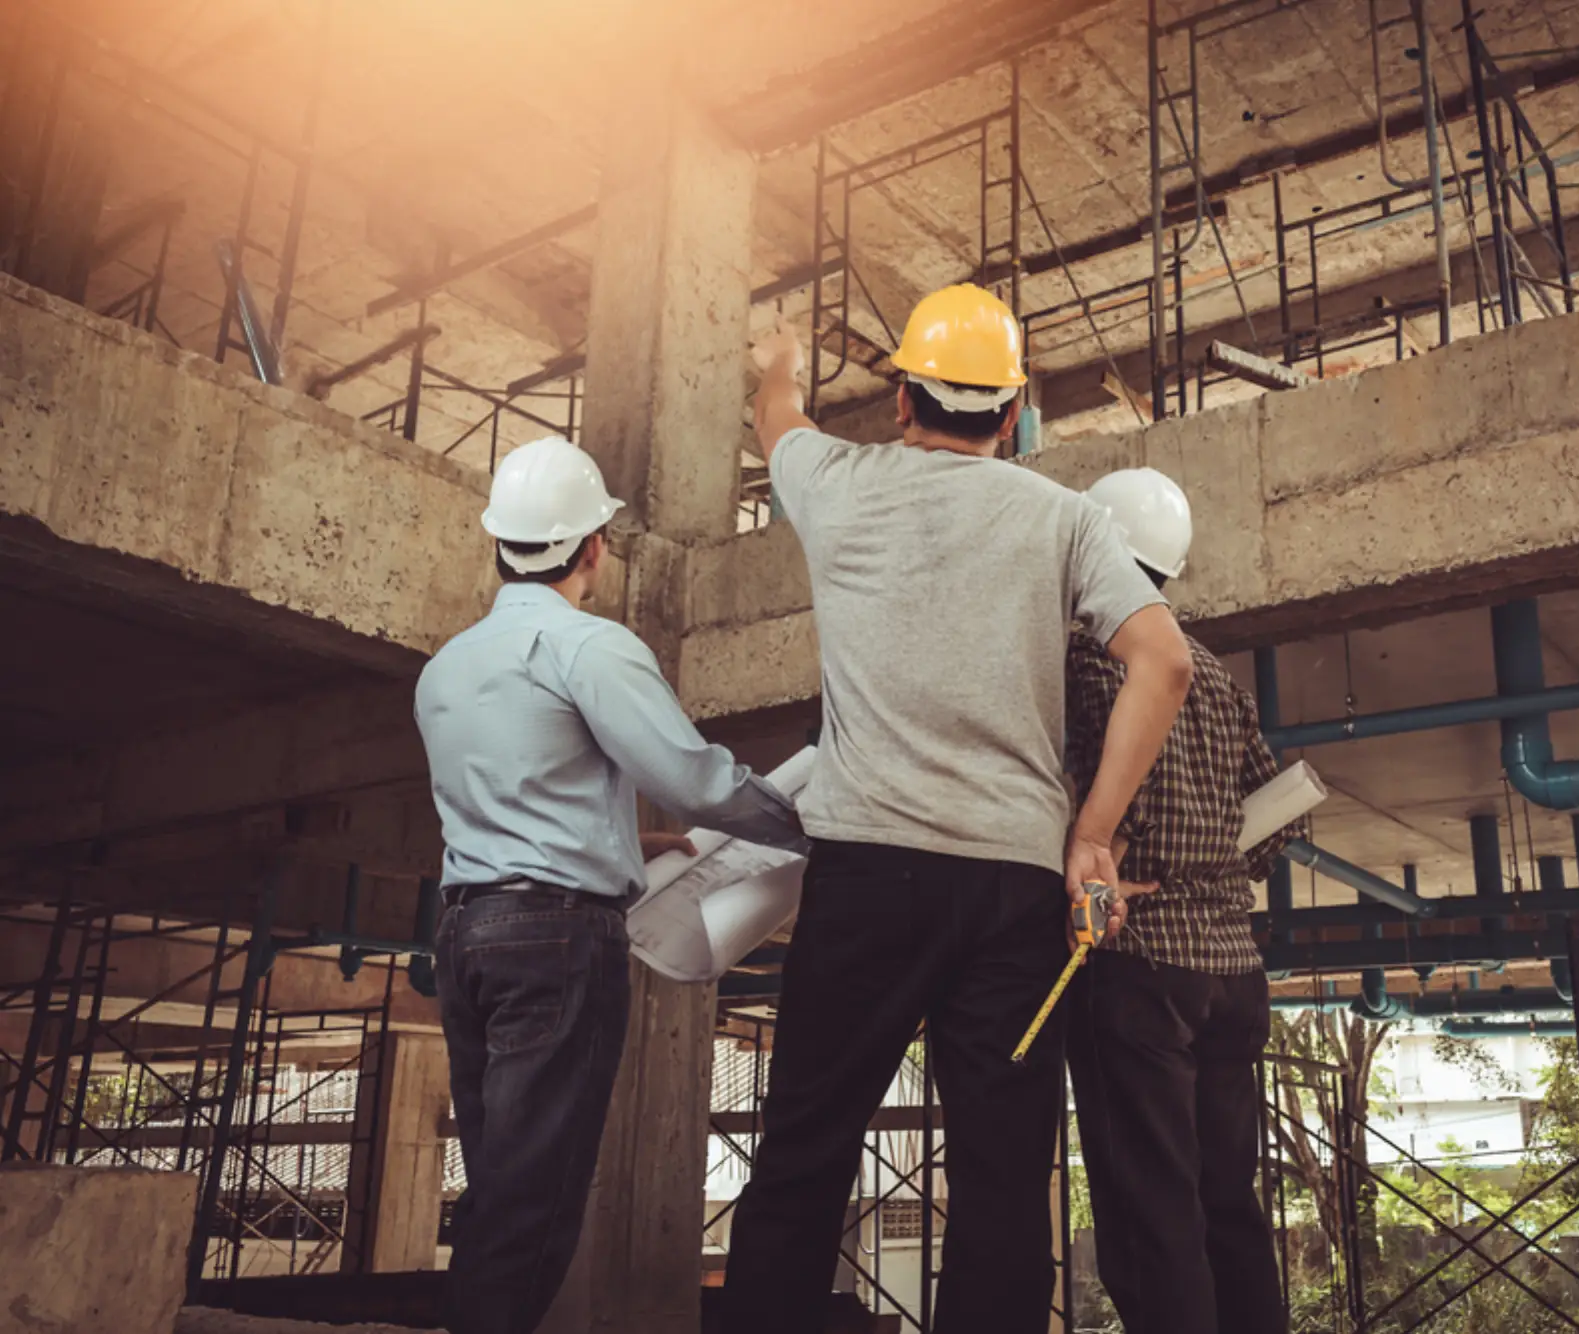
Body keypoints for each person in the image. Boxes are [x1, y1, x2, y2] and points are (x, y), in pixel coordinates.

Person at [721, 286, 1195, 1333]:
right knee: (1000, 1176)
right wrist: (1091, 832)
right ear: (1015, 410)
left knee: (803, 1152)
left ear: (900, 401)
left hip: (862, 881)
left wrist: (777, 365)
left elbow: (777, 422)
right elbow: (1161, 661)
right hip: (1012, 899)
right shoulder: (1065, 517)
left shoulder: (834, 482)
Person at [414, 435, 809, 1334]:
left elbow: (515, 796)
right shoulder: (590, 647)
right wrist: (796, 818)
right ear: (594, 547)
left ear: (498, 545)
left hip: (467, 933)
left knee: (501, 1180)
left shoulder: (445, 671)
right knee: (536, 1196)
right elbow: (697, 778)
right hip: (556, 940)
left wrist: (627, 838)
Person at [1064, 467, 1305, 1334]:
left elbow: (1068, 798)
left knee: (1151, 1216)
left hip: (1139, 971)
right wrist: (1210, 857)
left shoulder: (1093, 660)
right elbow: (1274, 828)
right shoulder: (1215, 676)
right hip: (1234, 978)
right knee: (1226, 1209)